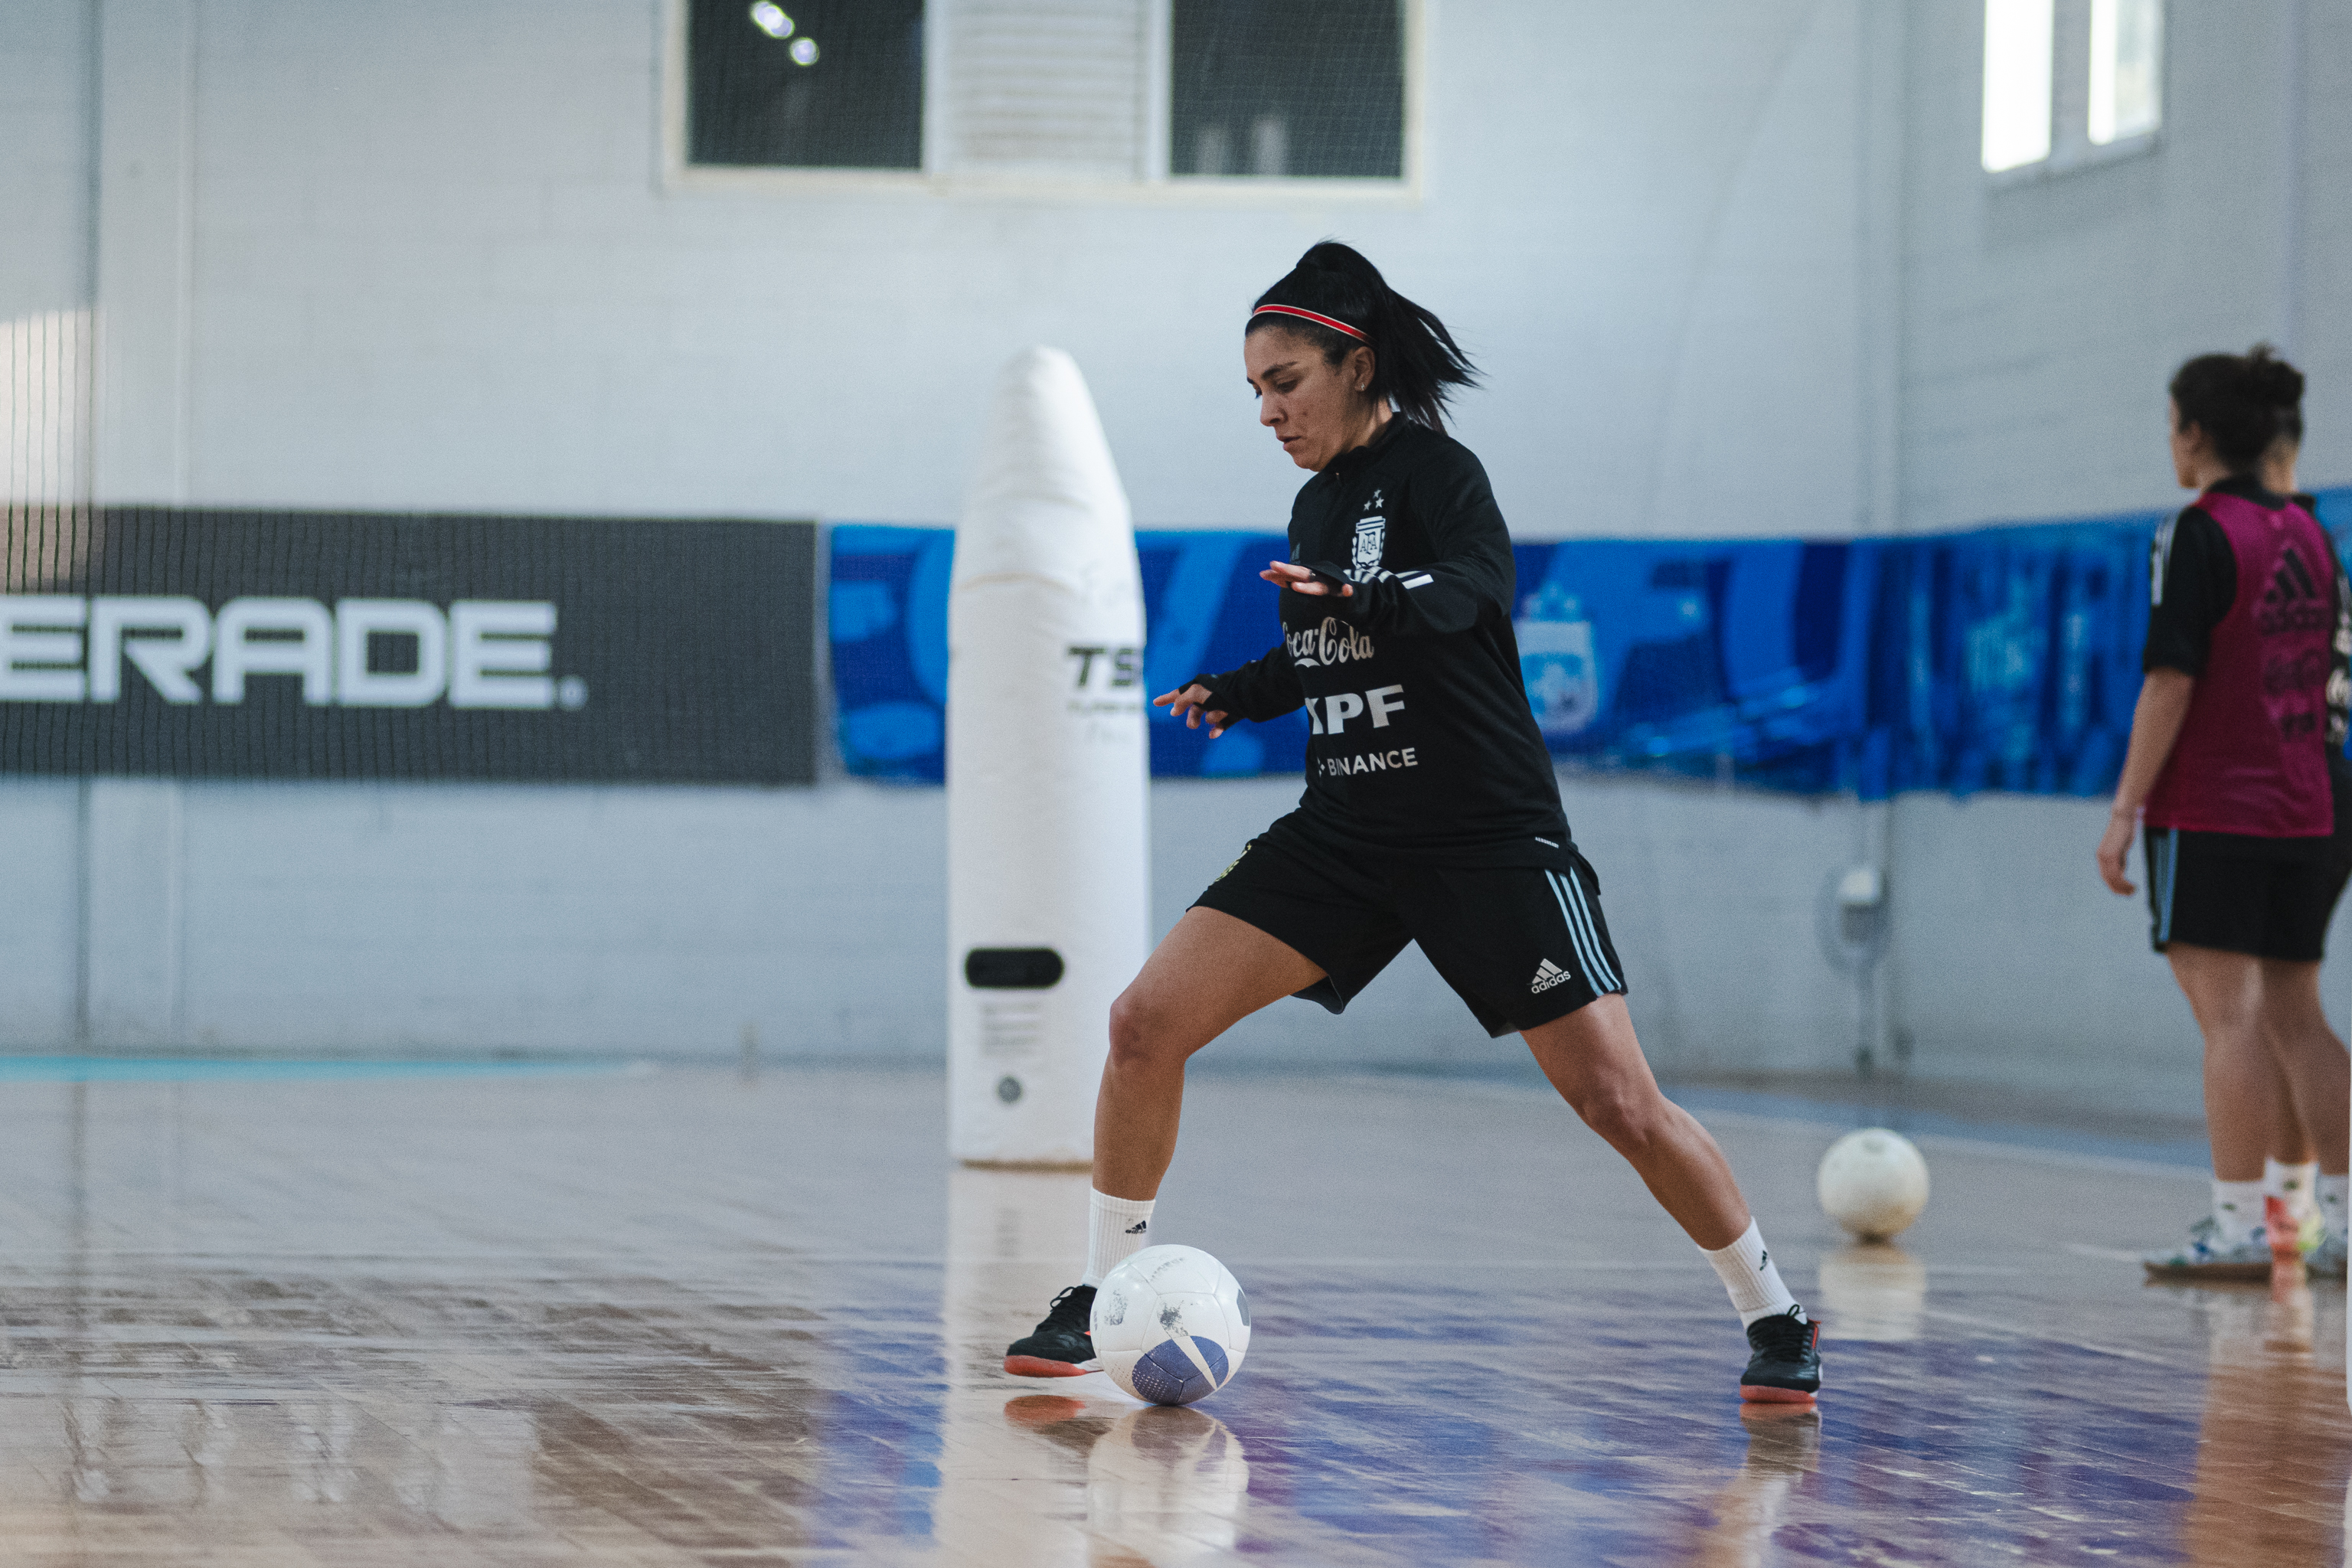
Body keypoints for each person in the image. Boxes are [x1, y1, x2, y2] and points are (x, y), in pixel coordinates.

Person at [1004, 241, 1822, 1403]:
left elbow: (1475, 590)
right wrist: (1242, 689)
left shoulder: (1441, 475)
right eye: (1254, 390)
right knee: (1144, 1023)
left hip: (1485, 839)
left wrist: (1373, 596)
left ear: (1357, 363)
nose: (1268, 409)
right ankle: (1099, 1297)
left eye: (1285, 381)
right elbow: (1326, 639)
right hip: (1344, 834)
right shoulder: (1316, 499)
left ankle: (1776, 1313)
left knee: (1618, 1104)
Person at [2094, 345, 2352, 1279]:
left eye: (2172, 425)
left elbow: (2171, 678)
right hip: (2313, 801)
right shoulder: (2316, 533)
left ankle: (2241, 1221)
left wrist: (2126, 809)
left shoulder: (2197, 532)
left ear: (2195, 434)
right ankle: (2331, 1219)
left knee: (2229, 1021)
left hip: (2216, 805)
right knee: (2298, 1010)